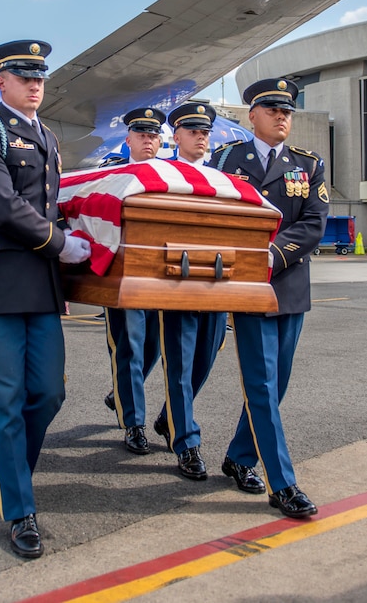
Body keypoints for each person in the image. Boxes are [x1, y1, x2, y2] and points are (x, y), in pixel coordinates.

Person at [0, 40, 90, 558]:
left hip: (40, 283)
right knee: (5, 397)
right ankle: (19, 507)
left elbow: (50, 204)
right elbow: (0, 205)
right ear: (1, 81)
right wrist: (59, 243)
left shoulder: (47, 137)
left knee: (48, 393)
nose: (35, 84)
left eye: (40, 76)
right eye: (23, 75)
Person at [207, 78, 327, 519]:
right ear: (251, 115)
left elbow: (314, 223)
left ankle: (239, 457)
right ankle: (283, 483)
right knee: (260, 381)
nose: (282, 117)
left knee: (276, 385)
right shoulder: (226, 160)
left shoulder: (308, 164)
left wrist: (273, 256)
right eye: (273, 109)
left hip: (289, 284)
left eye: (288, 111)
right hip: (247, 286)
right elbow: (214, 215)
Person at [148, 101, 229, 479]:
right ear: (176, 136)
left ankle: (169, 417)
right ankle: (187, 443)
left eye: (205, 131)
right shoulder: (160, 173)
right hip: (176, 280)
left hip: (216, 281)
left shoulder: (223, 177)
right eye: (193, 130)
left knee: (205, 361)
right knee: (179, 365)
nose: (201, 136)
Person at [99, 108, 166, 455]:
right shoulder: (110, 171)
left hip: (160, 275)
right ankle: (134, 424)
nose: (147, 140)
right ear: (128, 140)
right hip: (122, 275)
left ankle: (121, 393)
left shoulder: (171, 175)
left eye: (153, 135)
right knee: (130, 347)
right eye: (141, 134)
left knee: (153, 345)